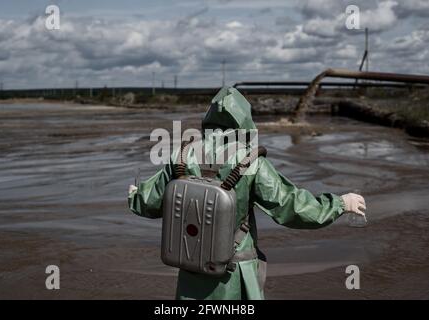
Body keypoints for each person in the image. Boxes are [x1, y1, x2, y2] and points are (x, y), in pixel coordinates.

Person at [128, 87, 366, 300]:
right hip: (234, 270)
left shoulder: (182, 154)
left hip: (192, 270)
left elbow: (150, 202)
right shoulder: (250, 160)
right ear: (244, 120)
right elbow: (291, 207)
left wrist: (135, 195)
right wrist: (340, 203)